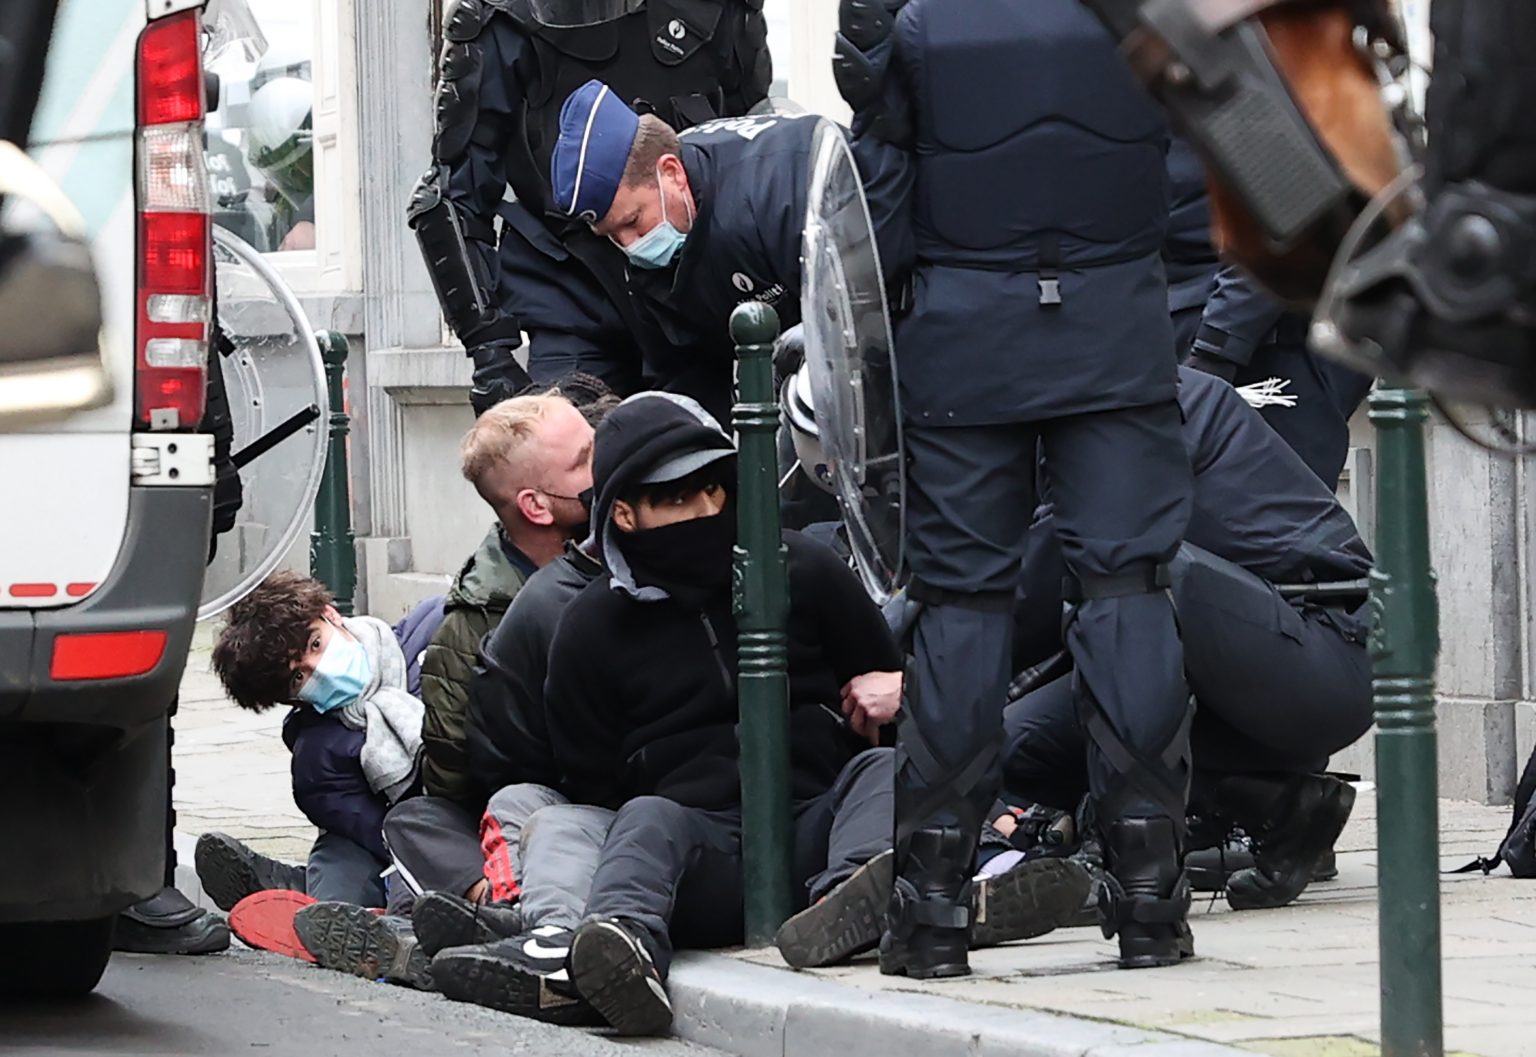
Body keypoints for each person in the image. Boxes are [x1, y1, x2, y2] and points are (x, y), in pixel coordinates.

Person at [839, 0, 1195, 975]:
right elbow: (1201, 172)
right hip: (1117, 332)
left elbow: (874, 203)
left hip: (965, 343)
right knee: (1128, 592)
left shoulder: (916, 22)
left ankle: (931, 911)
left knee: (961, 605)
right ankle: (1151, 899)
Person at [429, 391, 901, 1035]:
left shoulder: (805, 569)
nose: (704, 511)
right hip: (696, 855)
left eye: (713, 490)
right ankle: (614, 959)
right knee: (645, 819)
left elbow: (881, 687)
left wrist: (893, 692)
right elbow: (591, 774)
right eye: (676, 498)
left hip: (818, 826)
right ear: (624, 513)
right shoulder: (589, 626)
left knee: (881, 771)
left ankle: (852, 906)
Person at [1004, 366, 1373, 909]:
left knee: (1133, 569)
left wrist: (918, 669)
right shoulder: (1063, 405)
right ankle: (1283, 806)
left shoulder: (1142, 404)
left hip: (1323, 653)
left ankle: (1122, 849)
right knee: (1013, 744)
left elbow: (1037, 583)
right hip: (1218, 664)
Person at [297, 389, 599, 984]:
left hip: (593, 802)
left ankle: (465, 922)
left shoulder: (628, 547)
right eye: (585, 459)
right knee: (416, 824)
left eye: (312, 647)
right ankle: (451, 917)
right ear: (536, 505)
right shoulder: (469, 626)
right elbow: (453, 776)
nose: (607, 463)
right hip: (505, 810)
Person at [406, 0, 772, 413]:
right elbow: (454, 189)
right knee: (568, 443)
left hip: (693, 289)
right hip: (570, 289)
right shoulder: (500, 16)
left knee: (711, 446)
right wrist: (490, 353)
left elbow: (753, 141)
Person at [547, 79, 910, 420]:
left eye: (633, 221)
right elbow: (681, 374)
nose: (629, 244)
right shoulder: (651, 253)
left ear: (671, 172)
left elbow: (863, 324)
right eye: (612, 234)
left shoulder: (778, 194)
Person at [201, 572, 425, 918]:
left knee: (420, 880)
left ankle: (289, 888)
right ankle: (314, 909)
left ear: (330, 613)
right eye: (298, 677)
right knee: (342, 875)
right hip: (391, 841)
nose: (318, 669)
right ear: (292, 700)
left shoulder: (430, 633)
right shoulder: (318, 756)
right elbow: (382, 836)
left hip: (467, 820)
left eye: (315, 644)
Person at [1162, 137, 1372, 490]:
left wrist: (1215, 352)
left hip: (1262, 342)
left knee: (1278, 512)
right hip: (1184, 342)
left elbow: (1286, 213)